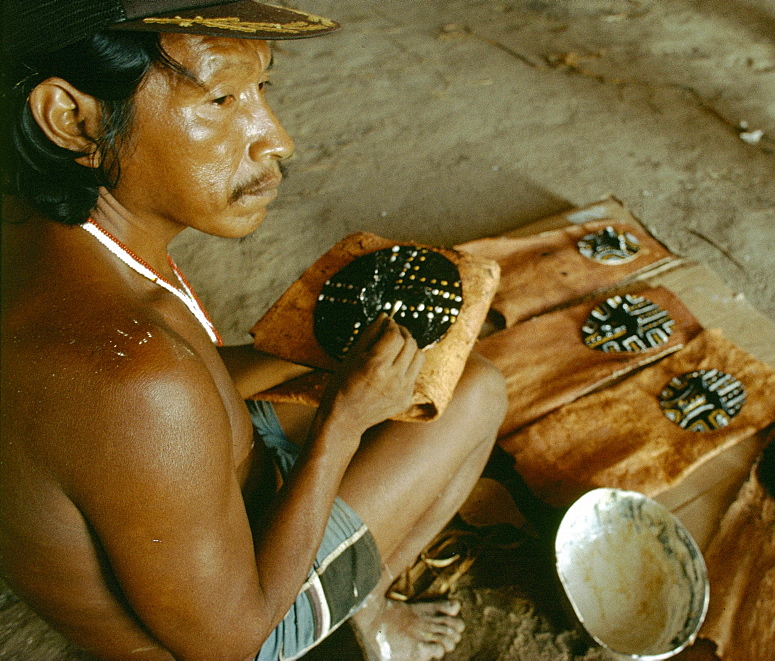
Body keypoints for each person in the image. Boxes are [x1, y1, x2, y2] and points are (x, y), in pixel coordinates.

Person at [0, 2, 508, 659]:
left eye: (260, 89)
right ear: (73, 118)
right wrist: (343, 421)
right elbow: (235, 638)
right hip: (235, 626)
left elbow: (194, 381)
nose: (276, 139)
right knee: (477, 394)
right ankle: (368, 616)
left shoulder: (61, 234)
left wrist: (311, 364)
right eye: (218, 99)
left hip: (193, 489)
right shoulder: (129, 374)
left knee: (424, 377)